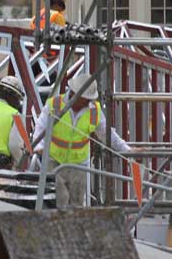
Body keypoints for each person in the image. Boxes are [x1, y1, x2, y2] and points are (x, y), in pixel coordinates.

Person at [32, 73, 131, 209]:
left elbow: (107, 135)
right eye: (85, 98)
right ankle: (57, 227)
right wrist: (38, 146)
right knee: (57, 200)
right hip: (54, 161)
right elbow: (41, 126)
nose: (87, 102)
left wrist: (127, 150)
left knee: (77, 204)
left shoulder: (94, 110)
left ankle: (73, 228)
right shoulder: (55, 104)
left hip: (79, 165)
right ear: (74, 94)